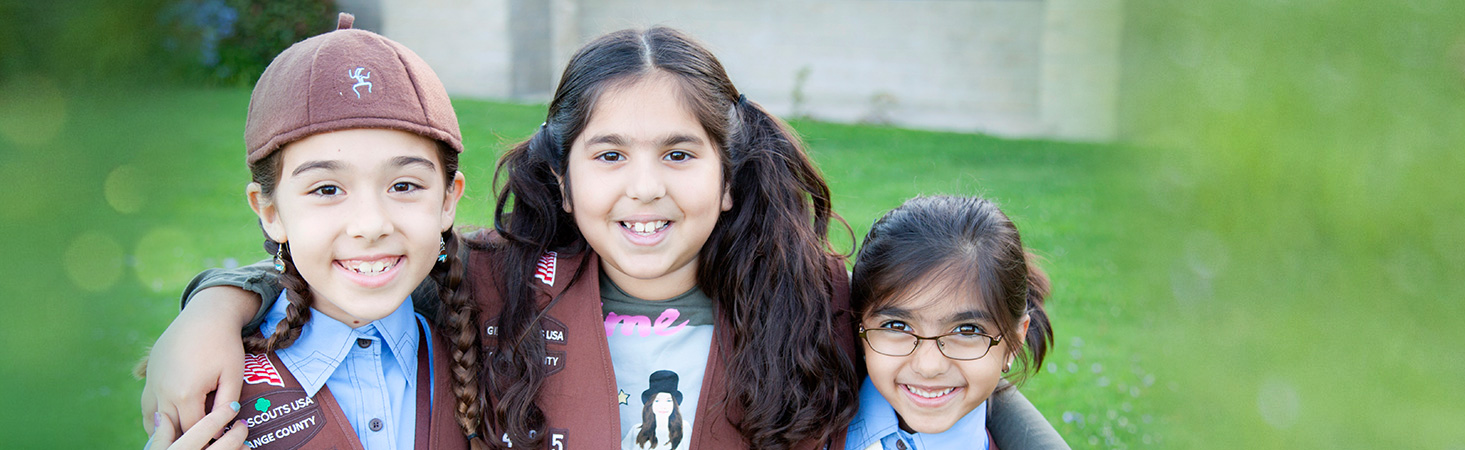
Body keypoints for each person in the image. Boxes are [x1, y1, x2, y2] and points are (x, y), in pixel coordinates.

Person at [146, 27, 1067, 450]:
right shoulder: (497, 283)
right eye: (609, 153)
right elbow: (355, 268)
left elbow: (944, 358)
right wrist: (214, 303)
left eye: (678, 153)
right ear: (564, 170)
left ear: (726, 166)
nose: (644, 190)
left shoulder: (809, 295)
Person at [137, 13, 482, 450]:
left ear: (449, 199)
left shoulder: (489, 339)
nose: (371, 225)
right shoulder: (210, 383)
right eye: (327, 189)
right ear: (269, 210)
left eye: (403, 185)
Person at [843, 196, 1068, 450]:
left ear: (1015, 341)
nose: (929, 366)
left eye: (967, 330)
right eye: (897, 326)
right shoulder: (802, 428)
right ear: (860, 327)